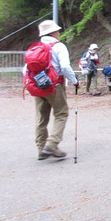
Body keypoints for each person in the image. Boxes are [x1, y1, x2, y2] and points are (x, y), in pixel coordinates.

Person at [34, 20, 79, 160]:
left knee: (41, 118)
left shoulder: (36, 47)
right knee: (61, 113)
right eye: (57, 31)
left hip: (37, 85)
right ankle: (52, 144)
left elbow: (26, 70)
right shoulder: (58, 46)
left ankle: (41, 148)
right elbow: (65, 67)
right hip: (55, 84)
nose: (59, 33)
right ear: (52, 32)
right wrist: (75, 81)